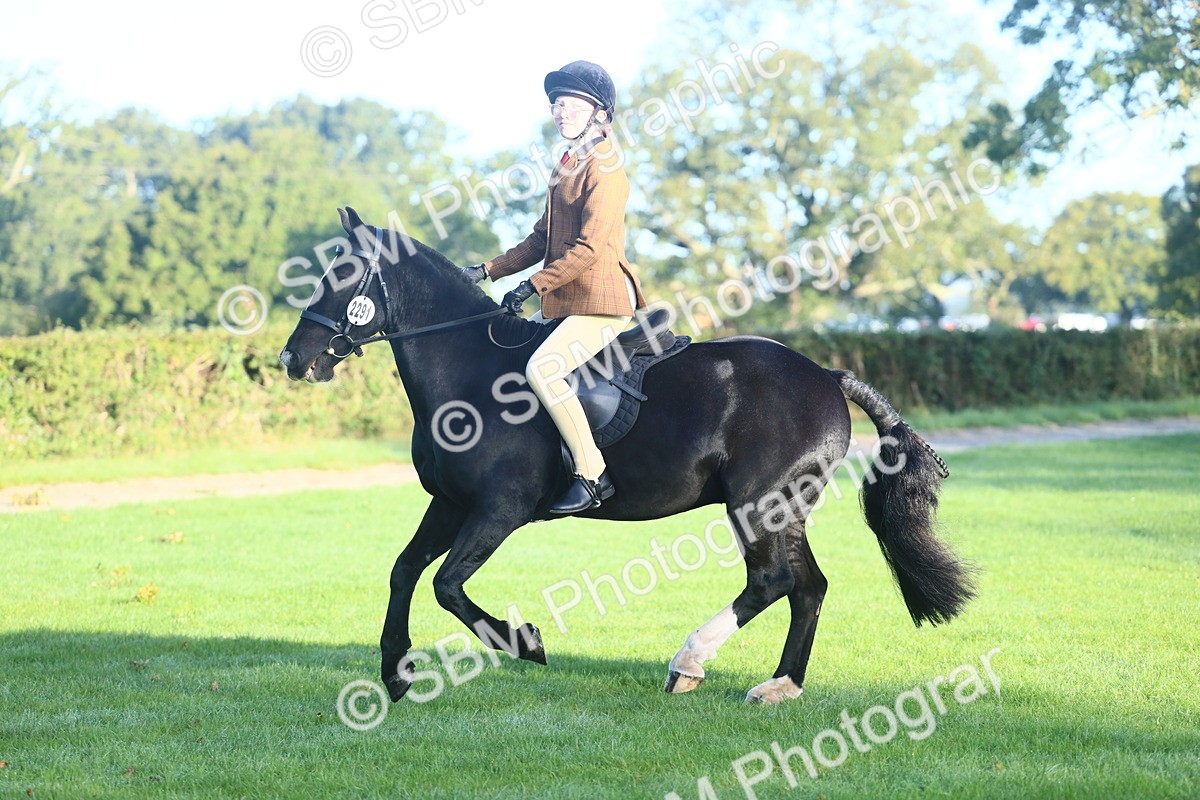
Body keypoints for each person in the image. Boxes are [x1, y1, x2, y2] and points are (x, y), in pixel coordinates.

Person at [460, 60, 647, 515]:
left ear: (599, 112)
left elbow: (588, 249)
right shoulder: (567, 164)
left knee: (542, 371)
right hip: (568, 301)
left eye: (569, 103)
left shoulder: (605, 168)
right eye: (555, 103)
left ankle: (591, 475)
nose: (559, 110)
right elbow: (540, 238)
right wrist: (486, 270)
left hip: (602, 303)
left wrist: (531, 287)